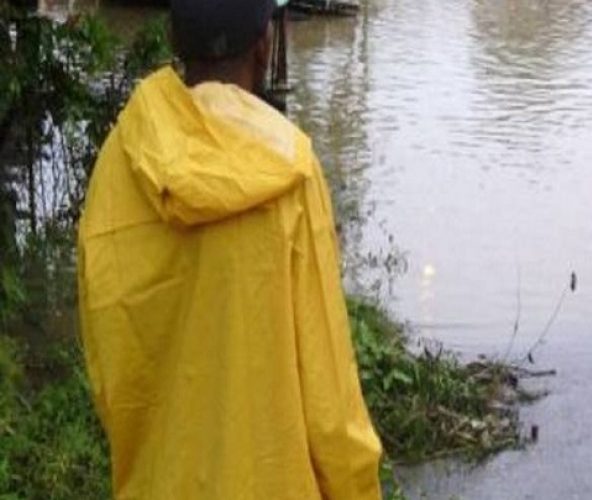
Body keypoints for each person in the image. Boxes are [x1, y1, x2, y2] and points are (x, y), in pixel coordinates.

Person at [76, 0, 382, 498]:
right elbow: (332, 408)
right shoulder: (291, 172)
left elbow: (108, 348)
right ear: (264, 47)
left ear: (174, 42)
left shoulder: (123, 158)